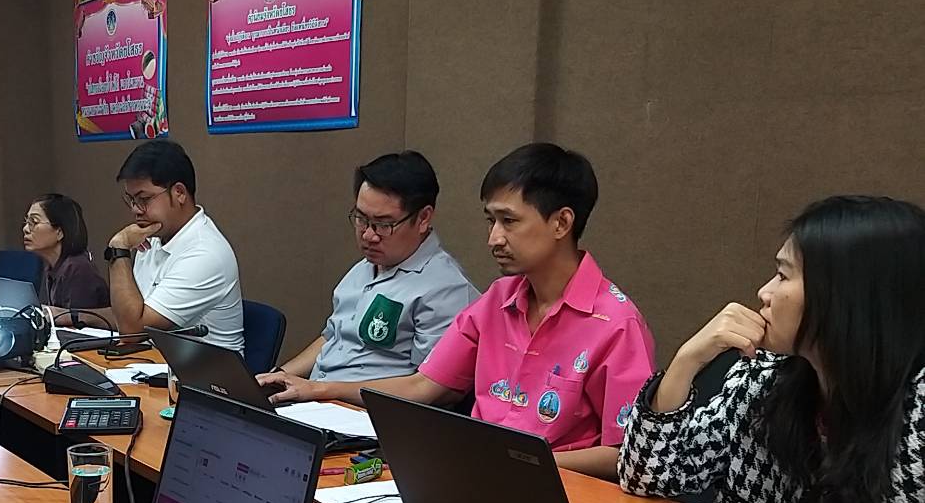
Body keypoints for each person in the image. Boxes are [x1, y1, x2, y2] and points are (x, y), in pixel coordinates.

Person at [281, 143, 653, 481]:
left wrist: (519, 461)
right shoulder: (497, 300)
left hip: (555, 492)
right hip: (475, 479)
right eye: (490, 221)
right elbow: (423, 385)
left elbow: (626, 454)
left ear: (561, 223)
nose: (493, 238)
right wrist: (317, 389)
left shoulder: (616, 324)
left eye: (509, 221)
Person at [619, 196, 925, 503]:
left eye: (783, 276)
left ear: (845, 295)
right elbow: (647, 478)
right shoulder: (765, 376)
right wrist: (686, 362)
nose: (764, 292)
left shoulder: (918, 403)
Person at [257, 151, 479, 397]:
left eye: (384, 224)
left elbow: (429, 389)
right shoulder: (364, 268)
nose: (368, 235)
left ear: (423, 218)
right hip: (321, 400)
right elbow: (332, 337)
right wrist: (279, 376)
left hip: (369, 417)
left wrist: (320, 390)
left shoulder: (445, 289)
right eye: (361, 219)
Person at [96, 139, 244, 352]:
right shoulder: (154, 235)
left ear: (179, 193)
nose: (136, 210)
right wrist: (75, 317)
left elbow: (132, 332)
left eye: (144, 199)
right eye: (131, 199)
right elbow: (129, 313)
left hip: (206, 380)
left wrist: (119, 249)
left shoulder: (204, 254)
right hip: (155, 366)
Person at [23, 192, 109, 310]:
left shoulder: (77, 268)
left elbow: (79, 324)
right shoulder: (52, 267)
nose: (25, 229)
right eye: (27, 222)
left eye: (34, 222)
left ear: (59, 232)